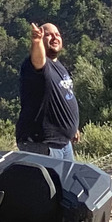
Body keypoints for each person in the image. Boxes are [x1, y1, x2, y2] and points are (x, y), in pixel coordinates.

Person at [18, 21, 80, 162]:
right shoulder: (35, 65)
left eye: (57, 34)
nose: (54, 37)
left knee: (65, 184)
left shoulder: (59, 67)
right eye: (48, 35)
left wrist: (71, 126)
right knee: (47, 184)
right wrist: (37, 41)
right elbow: (38, 60)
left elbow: (63, 97)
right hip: (42, 144)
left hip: (63, 143)